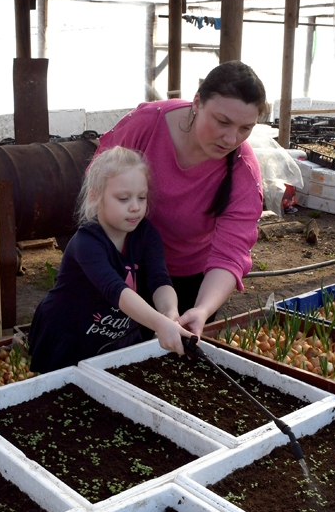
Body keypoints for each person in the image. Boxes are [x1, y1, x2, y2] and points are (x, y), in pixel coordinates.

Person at [95, 60, 270, 337]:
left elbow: (230, 254)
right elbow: (99, 181)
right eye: (222, 122)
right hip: (123, 263)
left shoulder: (242, 170)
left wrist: (202, 309)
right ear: (197, 102)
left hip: (189, 279)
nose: (231, 139)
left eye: (245, 128)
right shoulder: (147, 125)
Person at [27, 146, 193, 373]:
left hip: (115, 335)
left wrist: (170, 313)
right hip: (70, 335)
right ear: (95, 197)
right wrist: (158, 323)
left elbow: (160, 280)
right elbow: (116, 290)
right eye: (123, 198)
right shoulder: (86, 242)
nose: (135, 207)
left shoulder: (147, 234)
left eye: (142, 197)